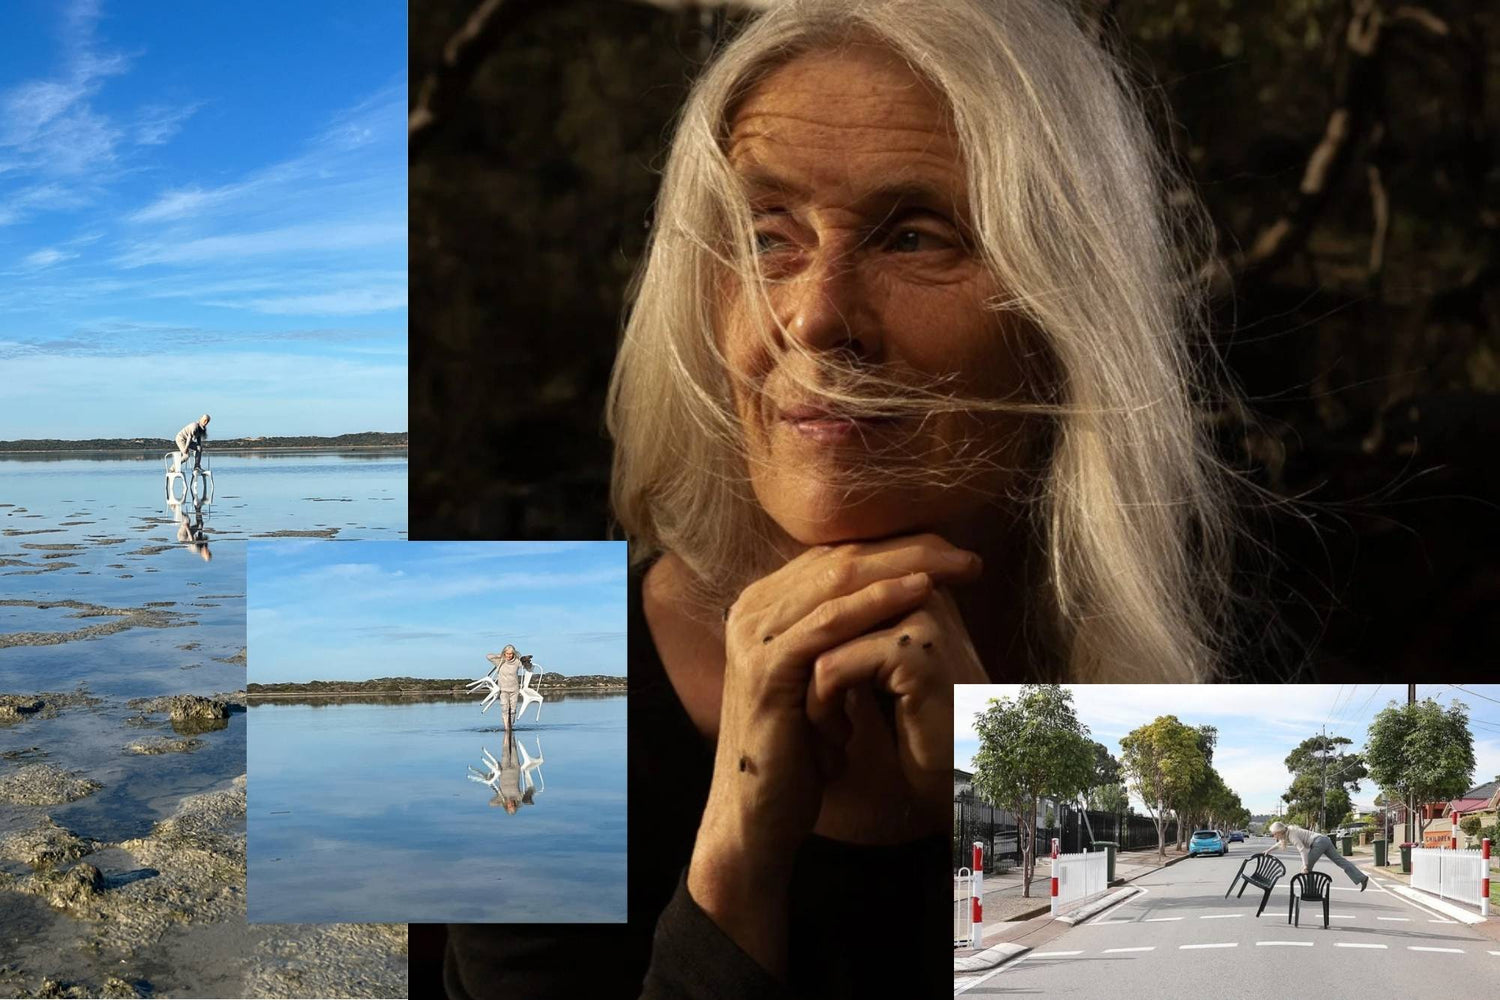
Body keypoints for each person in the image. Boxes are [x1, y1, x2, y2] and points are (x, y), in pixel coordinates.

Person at [444, 1, 1245, 997]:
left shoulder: (1210, 726)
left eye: (914, 238)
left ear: (1069, 314)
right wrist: (735, 863)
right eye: (767, 235)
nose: (816, 315)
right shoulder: (503, 686)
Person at [1269, 821, 1370, 890]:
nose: (1274, 836)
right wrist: (1268, 850)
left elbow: (1302, 850)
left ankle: (1311, 891)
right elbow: (1280, 843)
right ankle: (1362, 878)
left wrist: (1305, 865)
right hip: (1325, 840)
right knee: (1341, 861)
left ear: (1279, 831)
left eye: (1274, 834)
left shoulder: (1292, 835)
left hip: (1318, 842)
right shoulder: (1289, 831)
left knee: (1306, 868)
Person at [484, 645, 524, 730]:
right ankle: (506, 729)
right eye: (507, 653)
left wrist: (526, 661)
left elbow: (527, 667)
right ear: (504, 653)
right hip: (503, 689)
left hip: (514, 689)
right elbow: (488, 656)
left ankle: (511, 727)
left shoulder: (517, 662)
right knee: (505, 708)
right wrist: (500, 655)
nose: (509, 656)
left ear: (514, 654)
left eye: (511, 654)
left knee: (513, 710)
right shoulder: (500, 661)